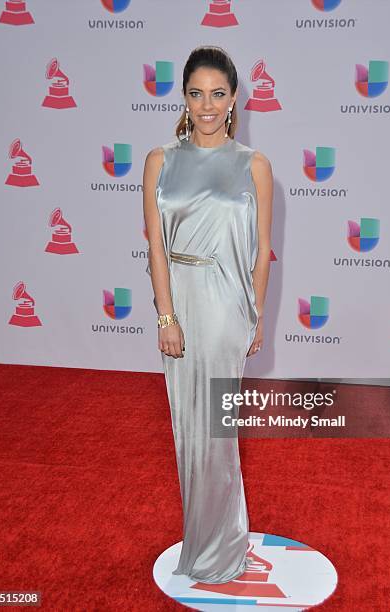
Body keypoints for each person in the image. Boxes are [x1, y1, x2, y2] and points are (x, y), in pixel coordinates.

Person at [143, 46, 273, 584]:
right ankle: (202, 539)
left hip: (225, 305)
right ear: (184, 98)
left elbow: (262, 249)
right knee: (186, 431)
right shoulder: (160, 160)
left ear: (234, 98)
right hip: (180, 302)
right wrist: (165, 317)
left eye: (218, 94)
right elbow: (154, 248)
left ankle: (222, 549)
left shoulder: (254, 165)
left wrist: (254, 316)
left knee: (217, 434)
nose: (207, 105)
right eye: (196, 93)